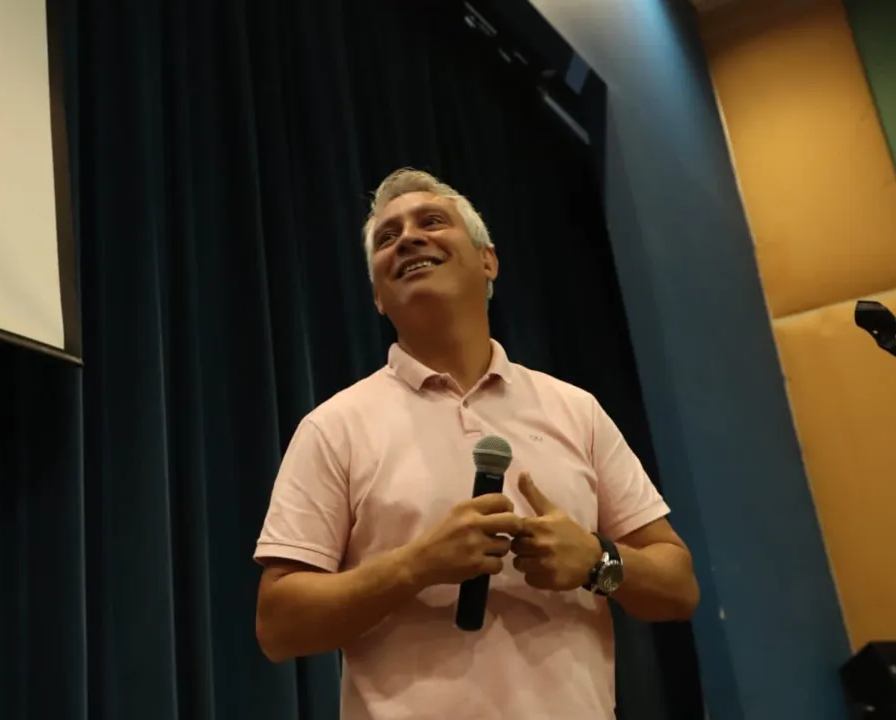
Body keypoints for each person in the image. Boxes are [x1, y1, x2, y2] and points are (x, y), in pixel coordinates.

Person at [253, 168, 700, 718]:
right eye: (387, 238)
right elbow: (278, 625)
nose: (409, 238)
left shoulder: (575, 410)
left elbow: (679, 586)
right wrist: (417, 565)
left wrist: (597, 559)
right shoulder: (333, 427)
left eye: (432, 222)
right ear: (377, 296)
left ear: (487, 260)